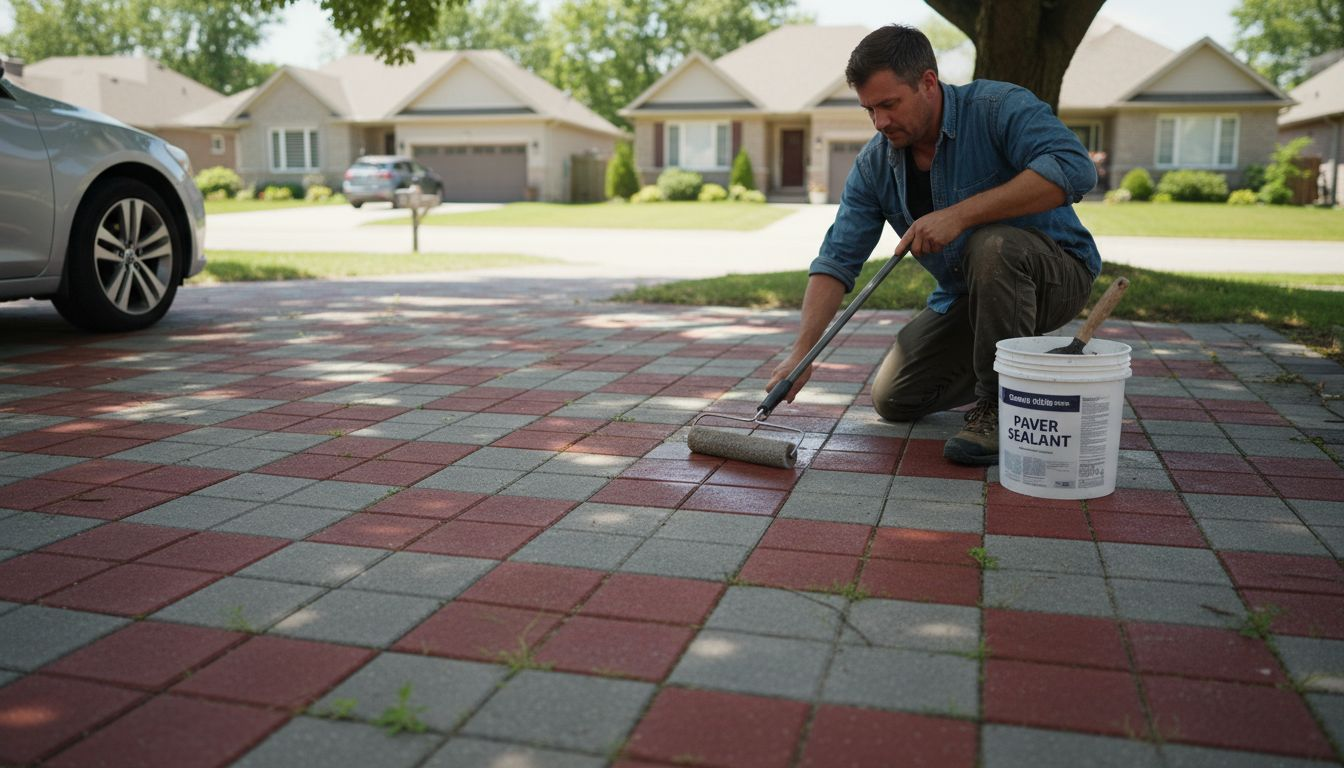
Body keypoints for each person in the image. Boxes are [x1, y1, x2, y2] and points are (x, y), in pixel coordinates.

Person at [765, 24, 1102, 466]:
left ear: (927, 82)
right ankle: (1022, 363)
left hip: (1056, 275)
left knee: (992, 245)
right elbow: (836, 260)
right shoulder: (873, 166)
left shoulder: (997, 107)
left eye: (889, 105)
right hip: (966, 296)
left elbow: (1075, 169)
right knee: (895, 397)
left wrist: (960, 215)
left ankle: (1000, 406)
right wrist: (801, 354)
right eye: (869, 110)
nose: (880, 122)